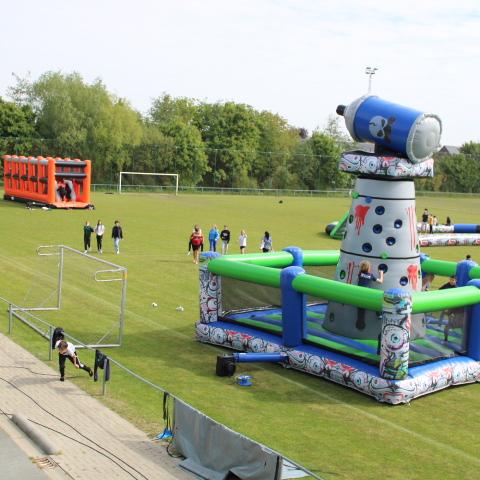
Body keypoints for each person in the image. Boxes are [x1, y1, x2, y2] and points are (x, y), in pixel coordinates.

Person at [356, 261, 384, 330]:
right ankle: (379, 314)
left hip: (360, 294)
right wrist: (381, 273)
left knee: (361, 310)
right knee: (375, 302)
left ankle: (360, 324)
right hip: (368, 294)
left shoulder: (360, 274)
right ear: (369, 269)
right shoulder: (370, 276)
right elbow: (380, 281)